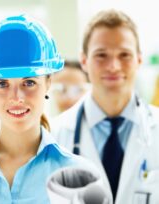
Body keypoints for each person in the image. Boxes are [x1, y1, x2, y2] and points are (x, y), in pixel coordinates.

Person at [0, 15, 107, 204]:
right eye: (2, 84)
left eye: (29, 82)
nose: (16, 97)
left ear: (48, 83)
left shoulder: (81, 175)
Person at [51, 9, 159, 203]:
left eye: (124, 55)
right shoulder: (53, 136)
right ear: (84, 60)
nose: (113, 66)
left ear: (139, 60)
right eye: (102, 55)